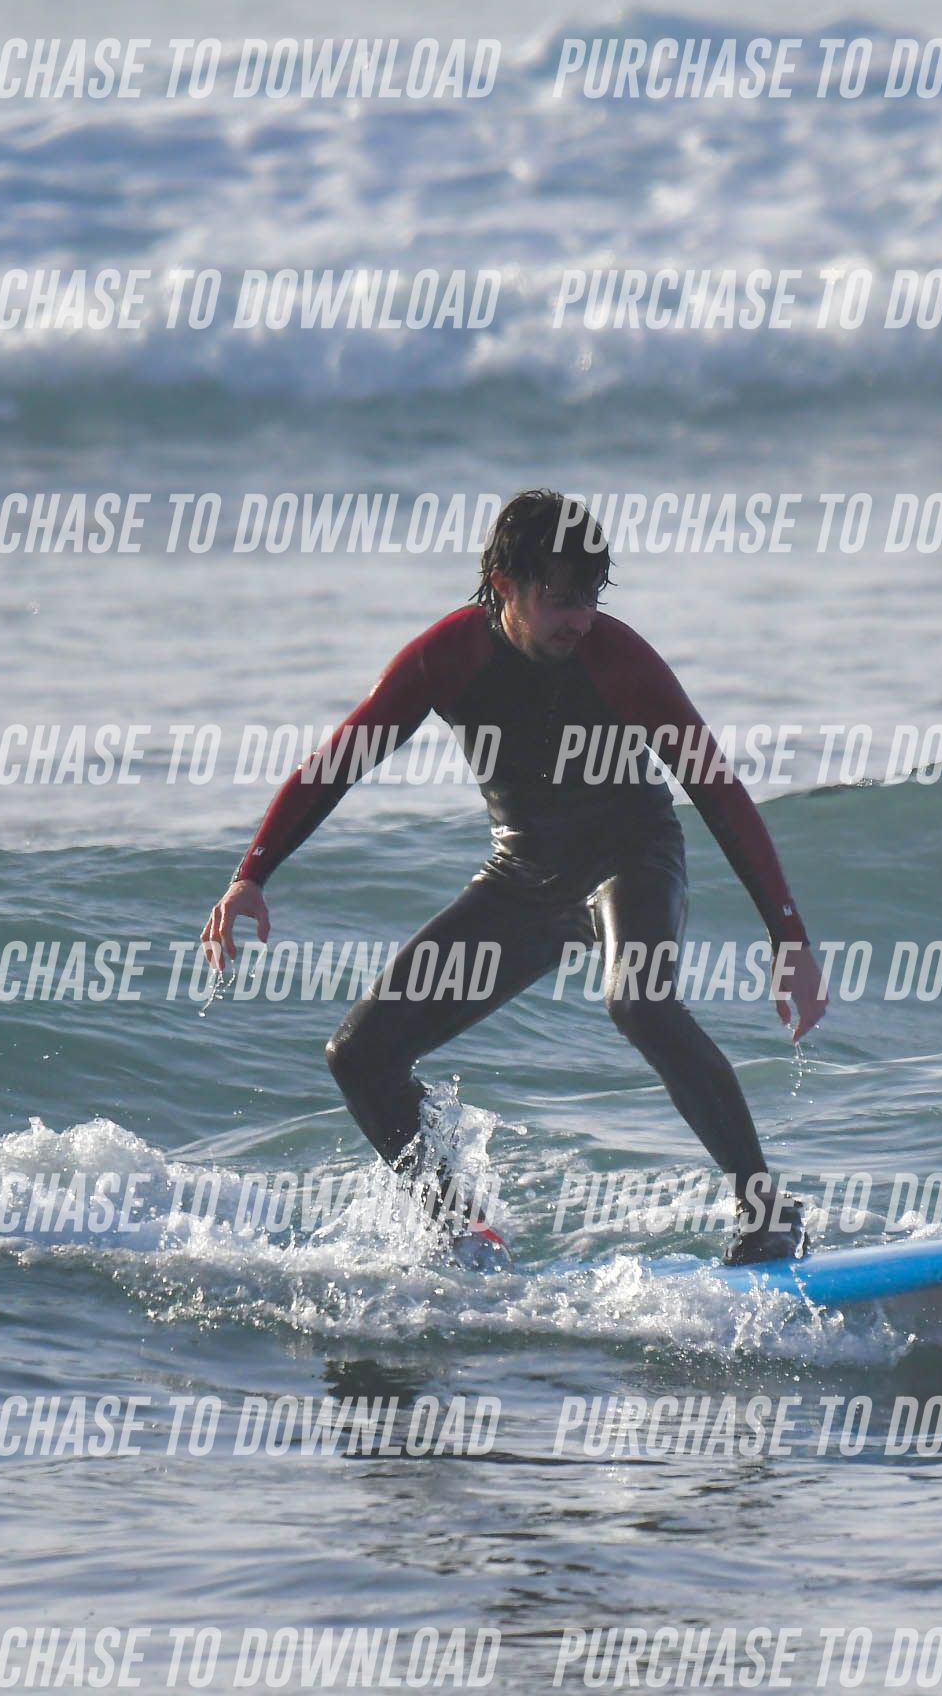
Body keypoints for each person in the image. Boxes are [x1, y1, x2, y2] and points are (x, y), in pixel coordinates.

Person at [198, 490, 827, 1266]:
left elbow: (718, 790)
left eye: (590, 598)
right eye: (560, 599)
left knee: (639, 1001)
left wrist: (788, 938)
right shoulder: (447, 656)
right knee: (359, 1055)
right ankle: (464, 1233)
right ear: (504, 585)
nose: (579, 619)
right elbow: (339, 762)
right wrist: (251, 875)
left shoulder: (619, 661)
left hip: (631, 857)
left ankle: (767, 1212)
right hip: (524, 876)